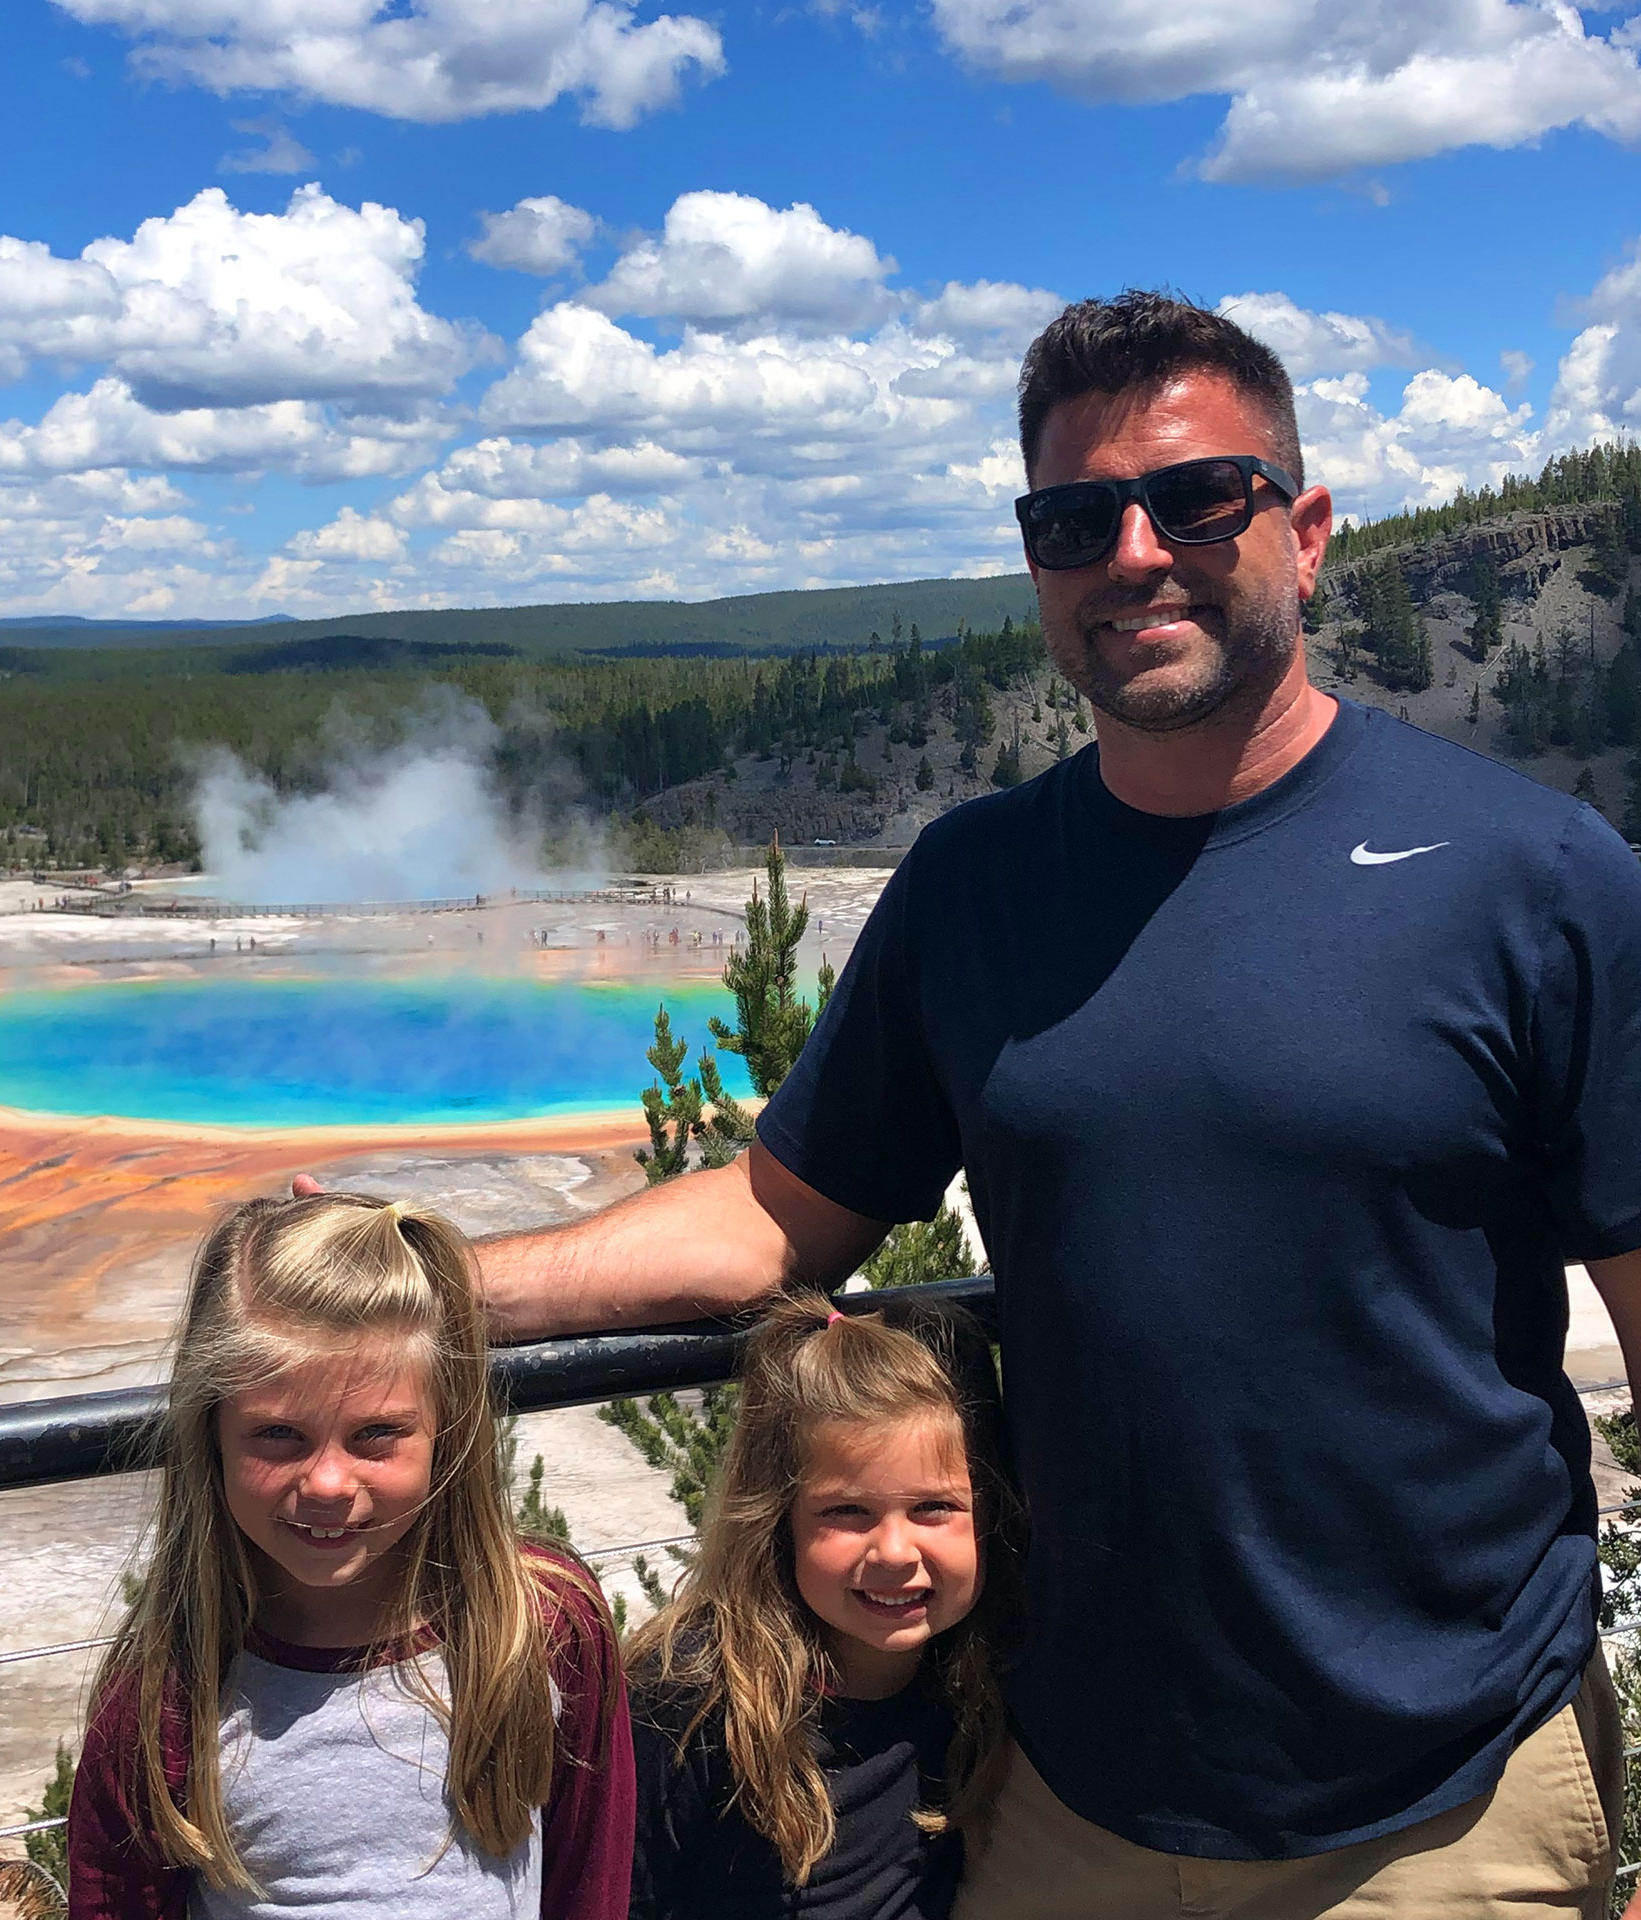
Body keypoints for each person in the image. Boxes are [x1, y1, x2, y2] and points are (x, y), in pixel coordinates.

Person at [454, 292, 1641, 1916]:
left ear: (1305, 531)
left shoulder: (1537, 879)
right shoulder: (974, 889)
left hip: (1442, 1805)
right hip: (1069, 1791)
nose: (1137, 551)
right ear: (1036, 562)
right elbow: (772, 1219)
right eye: (1076, 518)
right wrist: (431, 1290)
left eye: (1200, 498)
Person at [67, 1192, 632, 1920]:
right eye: (277, 1435)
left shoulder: (540, 1625)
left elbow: (592, 1880)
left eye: (376, 1434)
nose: (328, 1484)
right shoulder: (163, 1695)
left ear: (448, 1432)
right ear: (211, 1436)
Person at [628, 1297, 1012, 1920]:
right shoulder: (692, 1702)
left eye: (933, 1508)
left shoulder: (978, 1678)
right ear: (778, 1522)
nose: (893, 1551)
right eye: (846, 1512)